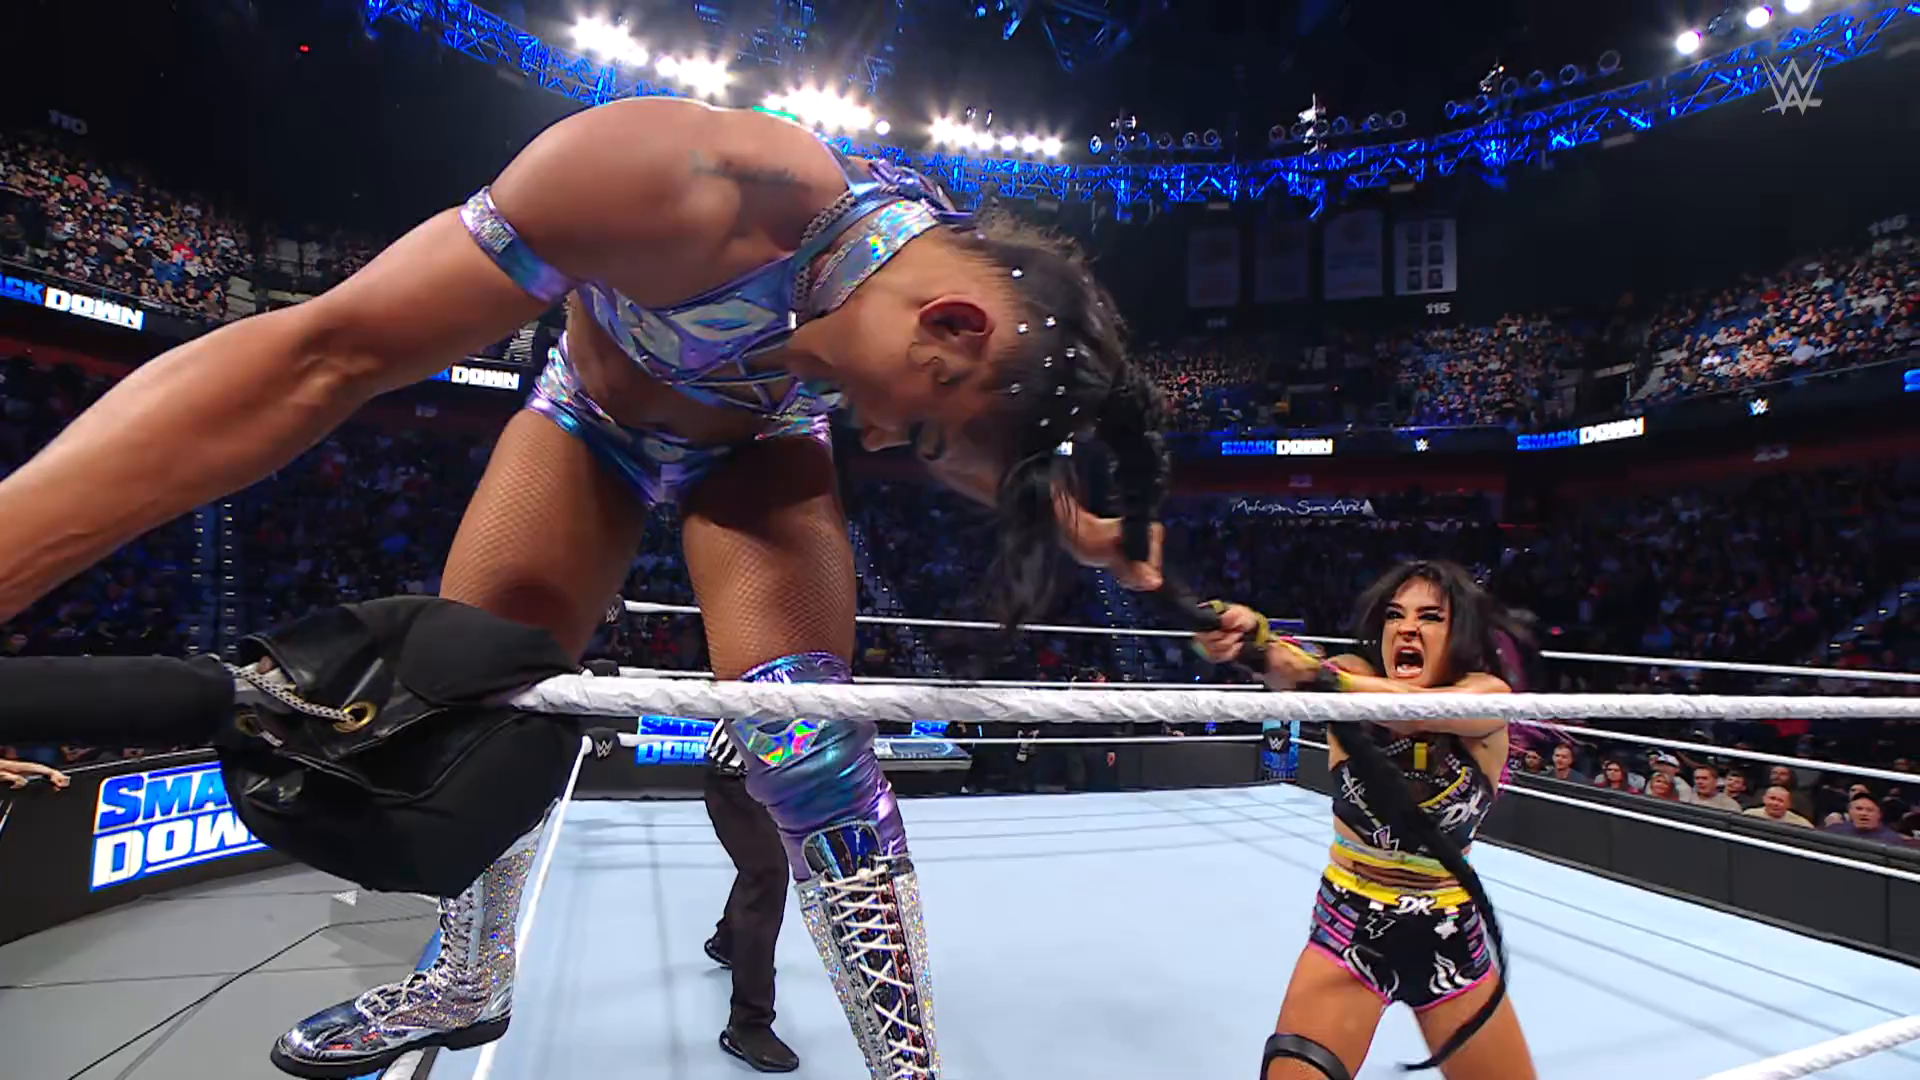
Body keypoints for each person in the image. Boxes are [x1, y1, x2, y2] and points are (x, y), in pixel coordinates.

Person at [0, 98, 1168, 1080]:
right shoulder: (676, 180)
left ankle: (910, 1073)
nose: (880, 436)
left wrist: (1087, 532)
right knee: (477, 697)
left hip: (759, 449)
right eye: (911, 425)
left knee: (810, 746)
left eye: (910, 442)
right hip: (592, 421)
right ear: (948, 324)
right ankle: (466, 978)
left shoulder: (952, 304)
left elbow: (994, 431)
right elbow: (326, 353)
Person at [1194, 559, 1539, 1080]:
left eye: (1430, 617)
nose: (1408, 628)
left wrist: (1318, 677)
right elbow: (1294, 668)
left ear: (1459, 633)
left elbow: (1417, 712)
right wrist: (1249, 643)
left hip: (1449, 934)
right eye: (1396, 615)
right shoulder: (1349, 674)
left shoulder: (1486, 696)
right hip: (1350, 928)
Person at [701, 719, 801, 1072]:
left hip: (760, 777)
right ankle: (748, 1024)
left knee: (758, 867)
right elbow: (784, 736)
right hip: (737, 778)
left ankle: (728, 942)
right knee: (766, 874)